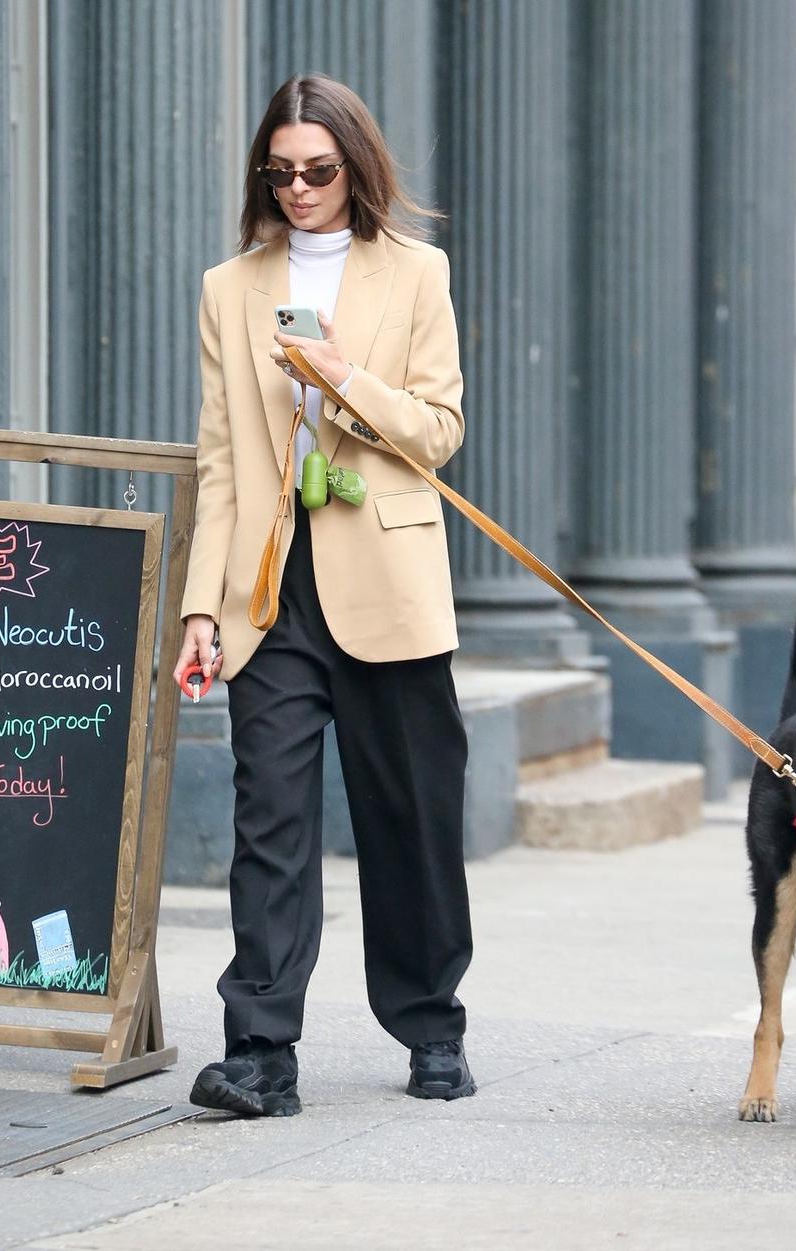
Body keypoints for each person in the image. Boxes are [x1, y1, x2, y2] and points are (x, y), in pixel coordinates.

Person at [173, 73, 474, 1117]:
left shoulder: (415, 274)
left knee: (411, 818)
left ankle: (430, 1024)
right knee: (270, 824)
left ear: (355, 166)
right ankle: (259, 1051)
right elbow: (220, 461)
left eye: (319, 170)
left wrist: (340, 373)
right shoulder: (228, 287)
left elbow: (435, 432)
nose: (299, 188)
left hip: (385, 580)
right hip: (271, 592)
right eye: (281, 171)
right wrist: (200, 608)